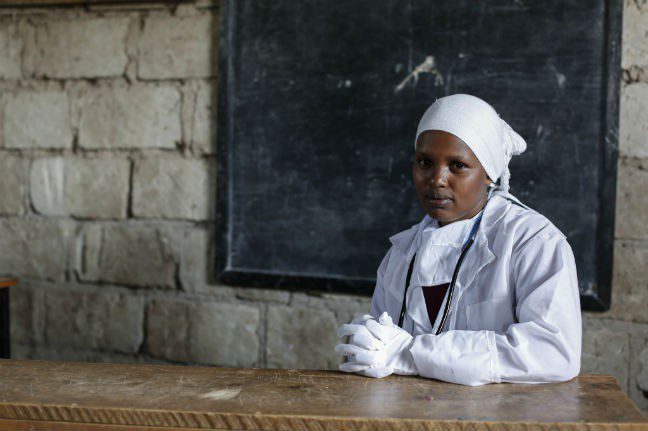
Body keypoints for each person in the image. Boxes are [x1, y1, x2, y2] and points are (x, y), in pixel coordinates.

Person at [335, 94, 581, 386]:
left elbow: (553, 353)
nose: (437, 179)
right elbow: (380, 352)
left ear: (489, 174)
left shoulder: (534, 242)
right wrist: (367, 346)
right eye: (425, 162)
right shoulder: (401, 255)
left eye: (457, 165)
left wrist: (412, 354)